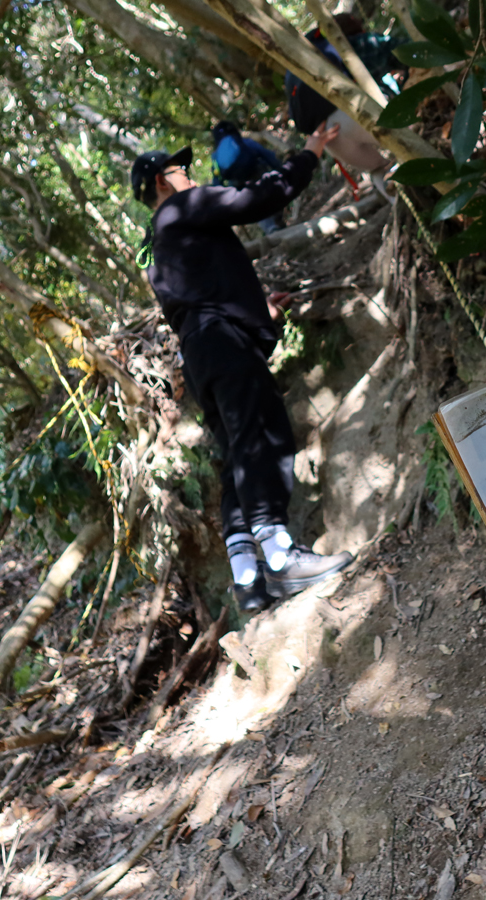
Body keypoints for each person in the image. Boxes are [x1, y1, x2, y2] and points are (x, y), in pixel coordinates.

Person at [130, 122, 353, 613]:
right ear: (162, 182)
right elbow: (257, 199)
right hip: (221, 343)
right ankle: (280, 556)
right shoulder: (182, 208)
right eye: (179, 169)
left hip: (201, 353)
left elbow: (201, 296)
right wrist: (309, 152)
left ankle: (248, 576)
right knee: (261, 437)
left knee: (236, 451)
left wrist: (257, 311)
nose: (189, 174)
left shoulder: (158, 246)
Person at [285, 15, 404, 185]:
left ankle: (402, 203)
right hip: (359, 114)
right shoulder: (358, 45)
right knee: (407, 140)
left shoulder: (314, 56)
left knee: (379, 170)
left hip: (329, 137)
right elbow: (403, 50)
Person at [210, 120, 284, 235]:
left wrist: (223, 202)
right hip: (257, 173)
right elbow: (266, 155)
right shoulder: (245, 142)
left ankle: (271, 228)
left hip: (237, 184)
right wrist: (281, 169)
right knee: (269, 192)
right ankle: (277, 218)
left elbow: (216, 181)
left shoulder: (215, 156)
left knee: (254, 206)